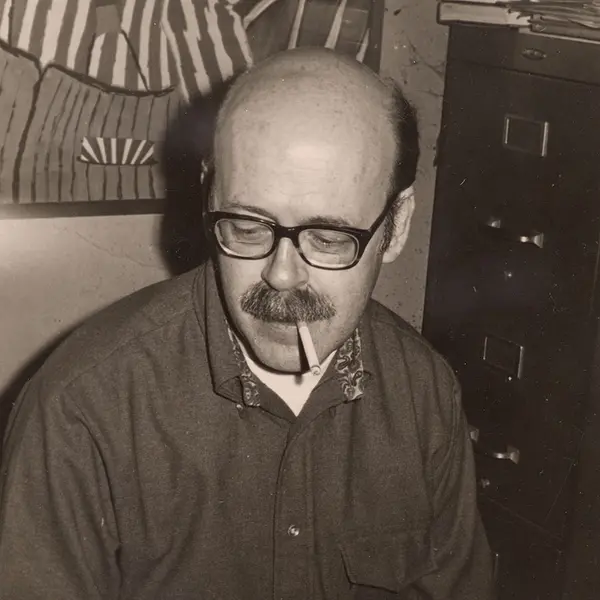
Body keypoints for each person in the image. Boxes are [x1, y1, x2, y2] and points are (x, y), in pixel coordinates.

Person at [0, 48, 493, 599]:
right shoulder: (83, 408)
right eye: (247, 227)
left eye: (329, 239)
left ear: (397, 225)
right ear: (209, 193)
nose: (281, 275)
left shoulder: (424, 394)